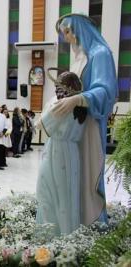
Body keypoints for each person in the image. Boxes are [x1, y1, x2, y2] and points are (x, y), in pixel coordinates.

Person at [53, 14, 117, 224]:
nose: (67, 37)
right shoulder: (79, 57)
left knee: (89, 172)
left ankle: (93, 220)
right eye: (64, 34)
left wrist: (78, 99)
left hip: (90, 124)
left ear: (81, 29)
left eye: (69, 31)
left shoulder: (100, 54)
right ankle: (75, 218)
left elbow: (106, 90)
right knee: (75, 172)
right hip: (75, 125)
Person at [36, 70, 87, 235]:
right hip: (71, 152)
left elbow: (41, 125)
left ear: (68, 88)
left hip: (56, 151)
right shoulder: (81, 105)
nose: (56, 91)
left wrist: (49, 107)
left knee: (48, 192)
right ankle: (67, 232)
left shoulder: (62, 105)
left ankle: (52, 234)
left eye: (59, 86)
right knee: (67, 194)